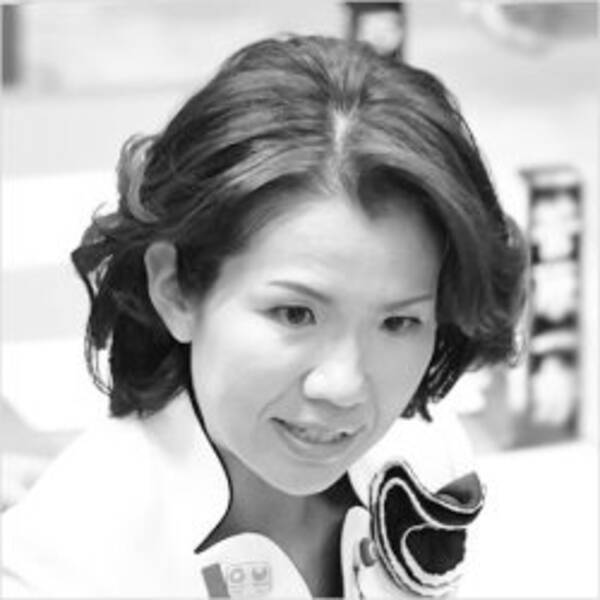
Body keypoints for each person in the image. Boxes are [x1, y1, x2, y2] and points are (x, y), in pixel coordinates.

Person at [1, 35, 527, 598]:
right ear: (176, 288)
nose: (344, 387)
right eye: (295, 313)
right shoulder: (65, 565)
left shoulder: (426, 452)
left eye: (398, 323)